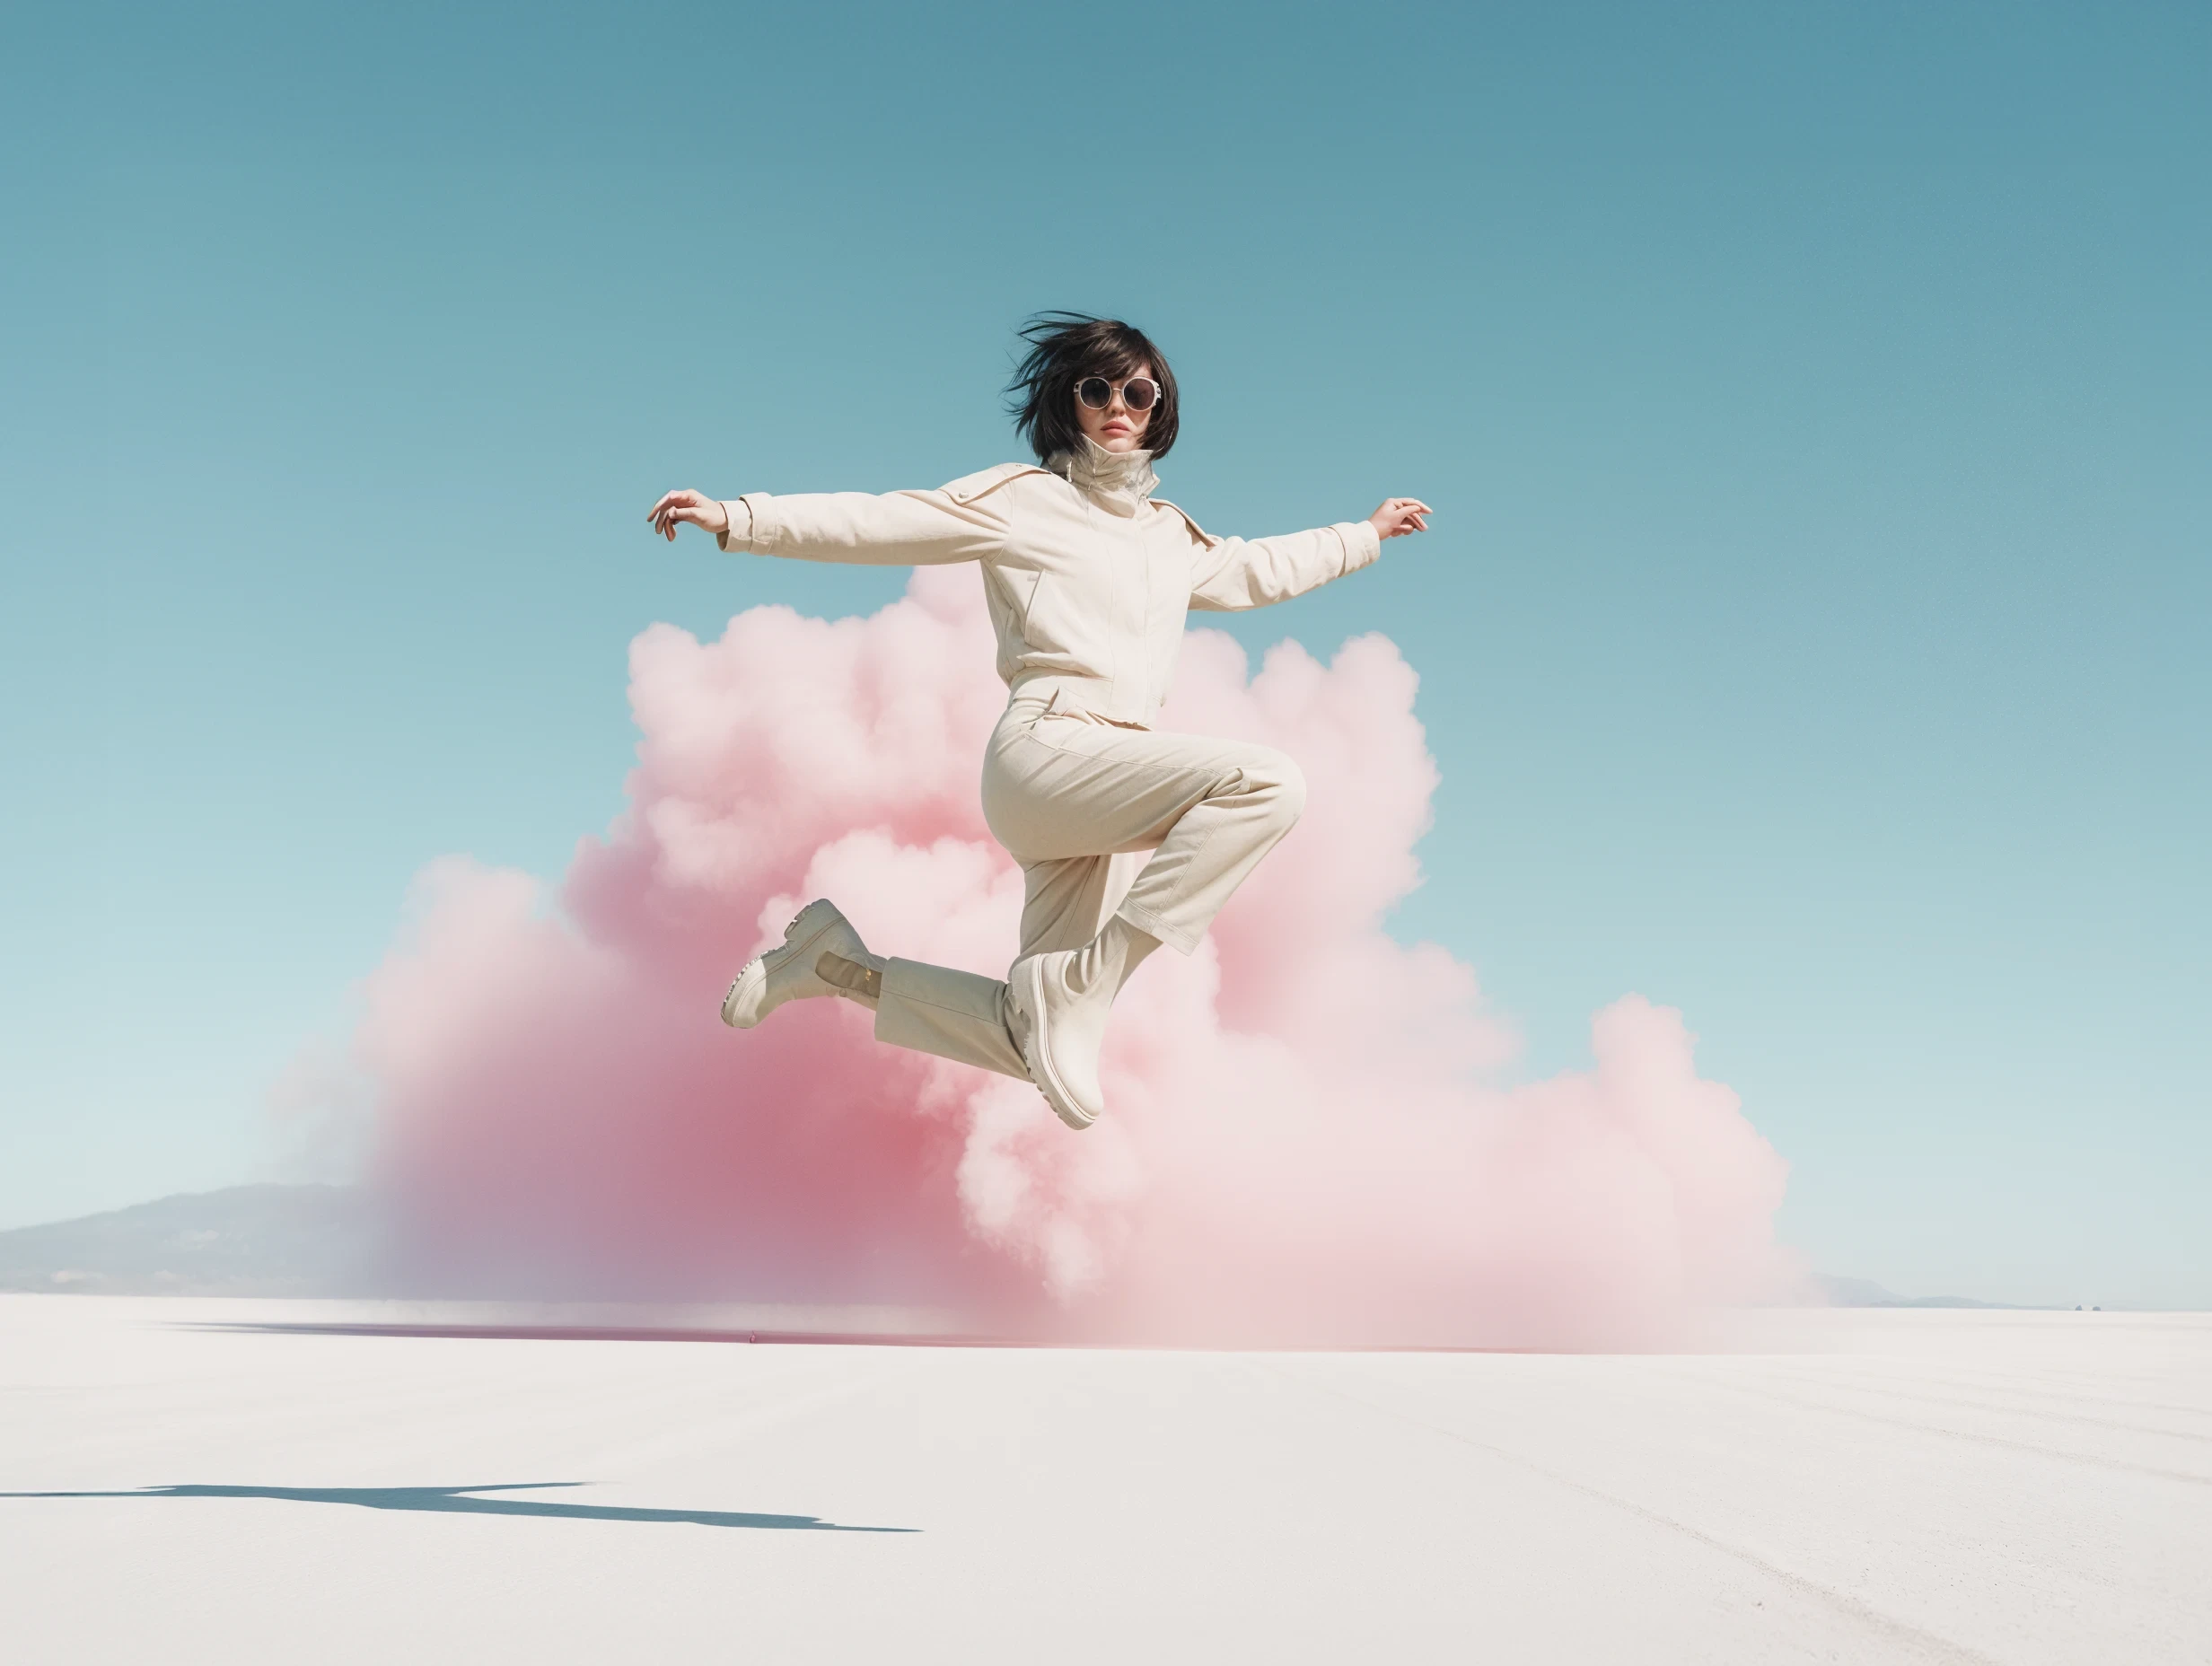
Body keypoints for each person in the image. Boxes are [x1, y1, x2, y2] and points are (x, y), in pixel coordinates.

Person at [647, 314, 1429, 1130]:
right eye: (1098, 389)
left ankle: (834, 966)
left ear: (1159, 406)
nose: (1118, 406)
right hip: (1048, 749)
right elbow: (882, 520)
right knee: (1266, 785)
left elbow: (1261, 570)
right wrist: (740, 517)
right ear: (1071, 402)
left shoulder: (1172, 538)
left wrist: (1362, 534)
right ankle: (1083, 988)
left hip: (1105, 791)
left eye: (1137, 391)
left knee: (1034, 1042)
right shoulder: (1023, 502)